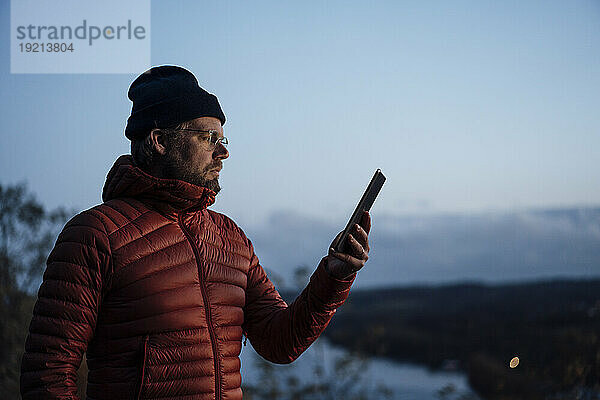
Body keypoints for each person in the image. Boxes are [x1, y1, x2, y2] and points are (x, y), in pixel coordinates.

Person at [20, 65, 371, 400]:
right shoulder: (95, 235)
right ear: (159, 140)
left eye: (224, 138)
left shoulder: (230, 239)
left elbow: (280, 342)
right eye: (208, 137)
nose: (224, 151)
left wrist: (333, 277)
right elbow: (47, 374)